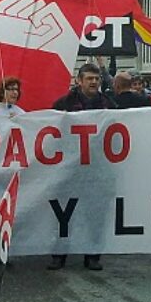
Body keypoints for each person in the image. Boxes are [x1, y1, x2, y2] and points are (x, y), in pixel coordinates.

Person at [49, 63, 115, 271]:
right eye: (89, 78)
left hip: (98, 169)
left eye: (97, 78)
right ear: (79, 81)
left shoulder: (109, 104)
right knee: (64, 212)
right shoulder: (63, 104)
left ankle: (92, 255)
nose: (94, 82)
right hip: (70, 169)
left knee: (94, 212)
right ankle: (60, 254)